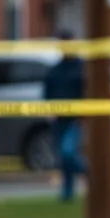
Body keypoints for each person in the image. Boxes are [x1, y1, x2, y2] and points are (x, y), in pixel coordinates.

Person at [42, 31, 85, 203]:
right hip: (59, 119)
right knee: (62, 156)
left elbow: (87, 91)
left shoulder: (82, 68)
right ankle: (67, 193)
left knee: (67, 152)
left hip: (76, 118)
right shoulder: (55, 70)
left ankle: (93, 175)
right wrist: (48, 110)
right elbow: (47, 93)